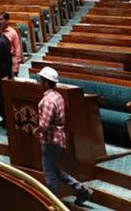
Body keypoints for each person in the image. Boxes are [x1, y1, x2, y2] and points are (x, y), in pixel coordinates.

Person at [37, 67, 93, 205]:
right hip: (58, 138)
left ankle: (56, 204)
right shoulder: (58, 96)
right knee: (54, 170)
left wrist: (36, 130)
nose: (39, 82)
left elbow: (44, 125)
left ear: (45, 82)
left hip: (51, 140)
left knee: (49, 174)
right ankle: (81, 189)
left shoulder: (48, 101)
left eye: (41, 80)